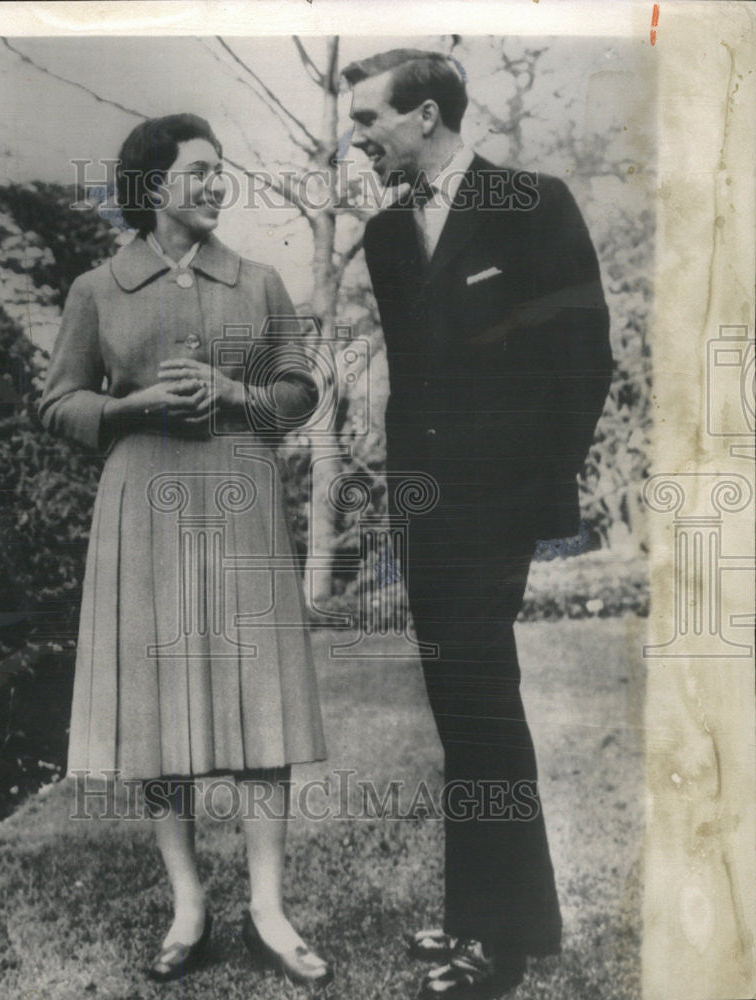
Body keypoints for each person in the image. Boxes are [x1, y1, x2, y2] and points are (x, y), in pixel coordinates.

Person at [341, 50, 613, 999]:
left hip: (493, 511)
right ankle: (492, 921)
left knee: (482, 706)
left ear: (424, 116)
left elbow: (583, 359)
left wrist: (526, 492)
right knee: (467, 714)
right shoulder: (383, 233)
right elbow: (417, 385)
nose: (359, 139)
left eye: (369, 120)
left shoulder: (535, 204)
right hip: (426, 510)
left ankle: (494, 947)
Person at [39, 114, 332, 989]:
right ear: (152, 184)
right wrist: (133, 410)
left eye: (220, 173)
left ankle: (269, 911)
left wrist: (234, 390)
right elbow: (59, 403)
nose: (214, 186)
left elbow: (299, 391)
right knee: (157, 705)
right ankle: (189, 905)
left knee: (261, 697)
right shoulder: (99, 288)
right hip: (142, 507)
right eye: (198, 172)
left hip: (240, 499)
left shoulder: (260, 281)